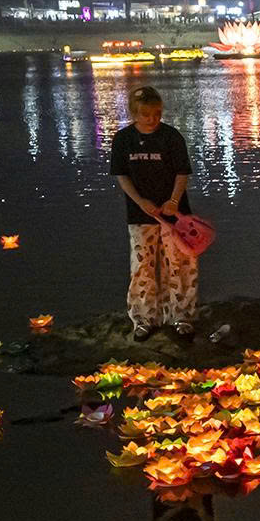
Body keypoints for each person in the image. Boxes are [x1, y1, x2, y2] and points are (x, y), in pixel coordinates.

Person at [109, 85, 198, 339]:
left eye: (156, 113)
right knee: (142, 266)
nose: (152, 119)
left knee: (180, 264)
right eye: (146, 114)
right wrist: (139, 201)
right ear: (135, 113)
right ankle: (144, 317)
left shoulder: (171, 136)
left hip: (175, 214)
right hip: (140, 215)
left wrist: (173, 200)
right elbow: (122, 175)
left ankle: (181, 316)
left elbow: (182, 172)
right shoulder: (124, 139)